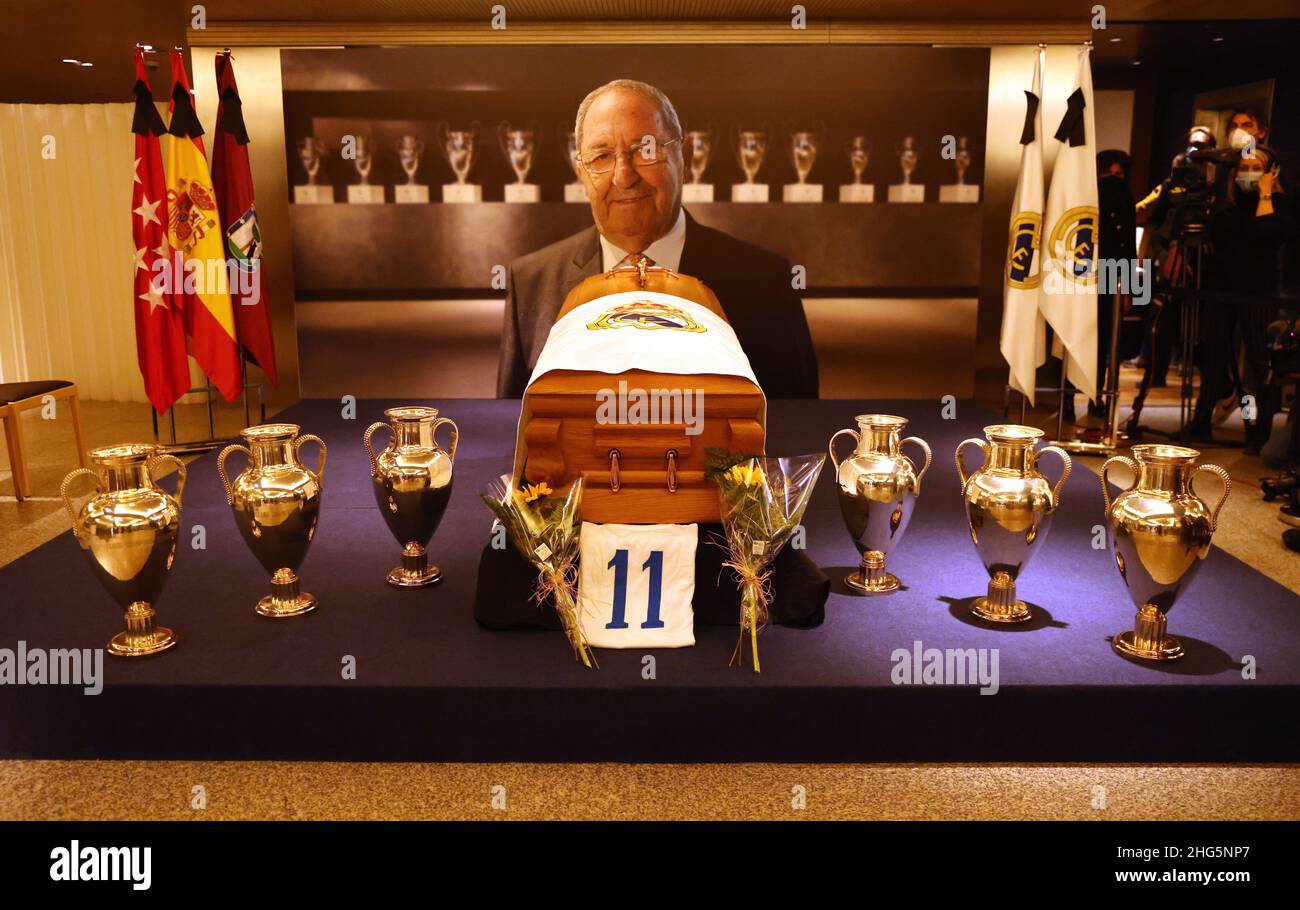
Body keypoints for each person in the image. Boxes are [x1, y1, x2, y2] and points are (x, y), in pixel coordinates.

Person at [495, 79, 819, 399]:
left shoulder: (767, 283)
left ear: (686, 158)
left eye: (644, 151)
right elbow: (513, 435)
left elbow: (798, 435)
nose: (623, 176)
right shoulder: (531, 285)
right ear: (582, 173)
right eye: (602, 157)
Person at [1187, 144, 1295, 453]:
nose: (1247, 173)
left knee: (1262, 365)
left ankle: (1258, 429)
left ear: (1270, 173)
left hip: (1258, 293)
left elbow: (1266, 232)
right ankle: (1201, 420)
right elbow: (1217, 240)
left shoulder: (1280, 205)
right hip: (1222, 290)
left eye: (1255, 168)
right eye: (1243, 168)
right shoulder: (1226, 207)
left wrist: (1265, 194)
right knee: (1214, 358)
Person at [1094, 149, 1136, 417]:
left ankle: (1098, 396)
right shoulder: (1086, 198)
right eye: (1107, 173)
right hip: (1085, 270)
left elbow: (1129, 246)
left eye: (1118, 174)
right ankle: (1071, 397)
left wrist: (1132, 291)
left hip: (1112, 272)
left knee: (1106, 340)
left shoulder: (1126, 200)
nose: (1112, 179)